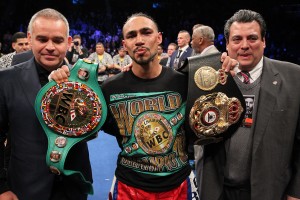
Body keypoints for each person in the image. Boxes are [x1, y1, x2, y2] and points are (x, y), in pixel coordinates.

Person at [51, 12, 240, 199]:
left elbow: (220, 117)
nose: (139, 40)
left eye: (146, 32)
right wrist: (60, 91)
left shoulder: (184, 81)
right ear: (125, 45)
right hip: (130, 187)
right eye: (131, 36)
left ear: (158, 39)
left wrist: (228, 72)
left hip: (178, 185)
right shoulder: (110, 88)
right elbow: (85, 130)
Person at [200, 9, 300, 200]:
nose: (244, 46)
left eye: (252, 38)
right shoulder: (211, 78)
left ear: (264, 42)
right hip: (218, 190)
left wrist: (296, 191)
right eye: (237, 39)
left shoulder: (294, 77)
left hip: (269, 191)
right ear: (227, 44)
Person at [0, 8, 92, 200]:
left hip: (73, 187)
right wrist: (1, 187)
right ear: (30, 38)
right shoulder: (6, 80)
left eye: (57, 40)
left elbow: (92, 131)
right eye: (42, 39)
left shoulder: (84, 82)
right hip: (24, 188)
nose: (50, 47)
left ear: (67, 43)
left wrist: (69, 94)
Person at [190, 24, 220, 195]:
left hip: (207, 128)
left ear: (200, 40)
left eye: (193, 38)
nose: (192, 42)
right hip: (208, 126)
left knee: (207, 178)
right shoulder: (214, 57)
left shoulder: (206, 61)